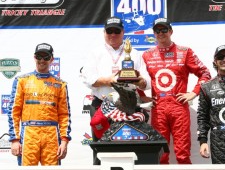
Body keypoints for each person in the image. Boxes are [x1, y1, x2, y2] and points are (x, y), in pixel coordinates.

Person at [81, 16, 151, 165]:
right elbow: (88, 79)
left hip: (129, 106)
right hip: (101, 106)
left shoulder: (134, 53)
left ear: (123, 32)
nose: (112, 34)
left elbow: (148, 83)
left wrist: (140, 81)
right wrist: (110, 80)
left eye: (116, 31)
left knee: (129, 147)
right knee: (101, 147)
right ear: (104, 32)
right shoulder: (95, 53)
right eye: (109, 31)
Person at [142, 17, 211, 164]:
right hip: (158, 108)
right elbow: (136, 80)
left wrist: (193, 92)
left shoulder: (184, 52)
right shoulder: (146, 55)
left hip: (178, 107)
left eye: (164, 30)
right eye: (157, 30)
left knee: (183, 154)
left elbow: (205, 74)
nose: (161, 33)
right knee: (160, 155)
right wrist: (142, 96)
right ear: (154, 33)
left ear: (171, 31)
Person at [7, 43, 72, 166]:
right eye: (39, 56)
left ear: (51, 59)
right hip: (29, 133)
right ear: (34, 57)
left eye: (46, 57)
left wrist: (64, 141)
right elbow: (14, 112)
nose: (42, 60)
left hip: (51, 134)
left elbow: (65, 115)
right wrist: (15, 140)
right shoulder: (22, 81)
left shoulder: (60, 84)